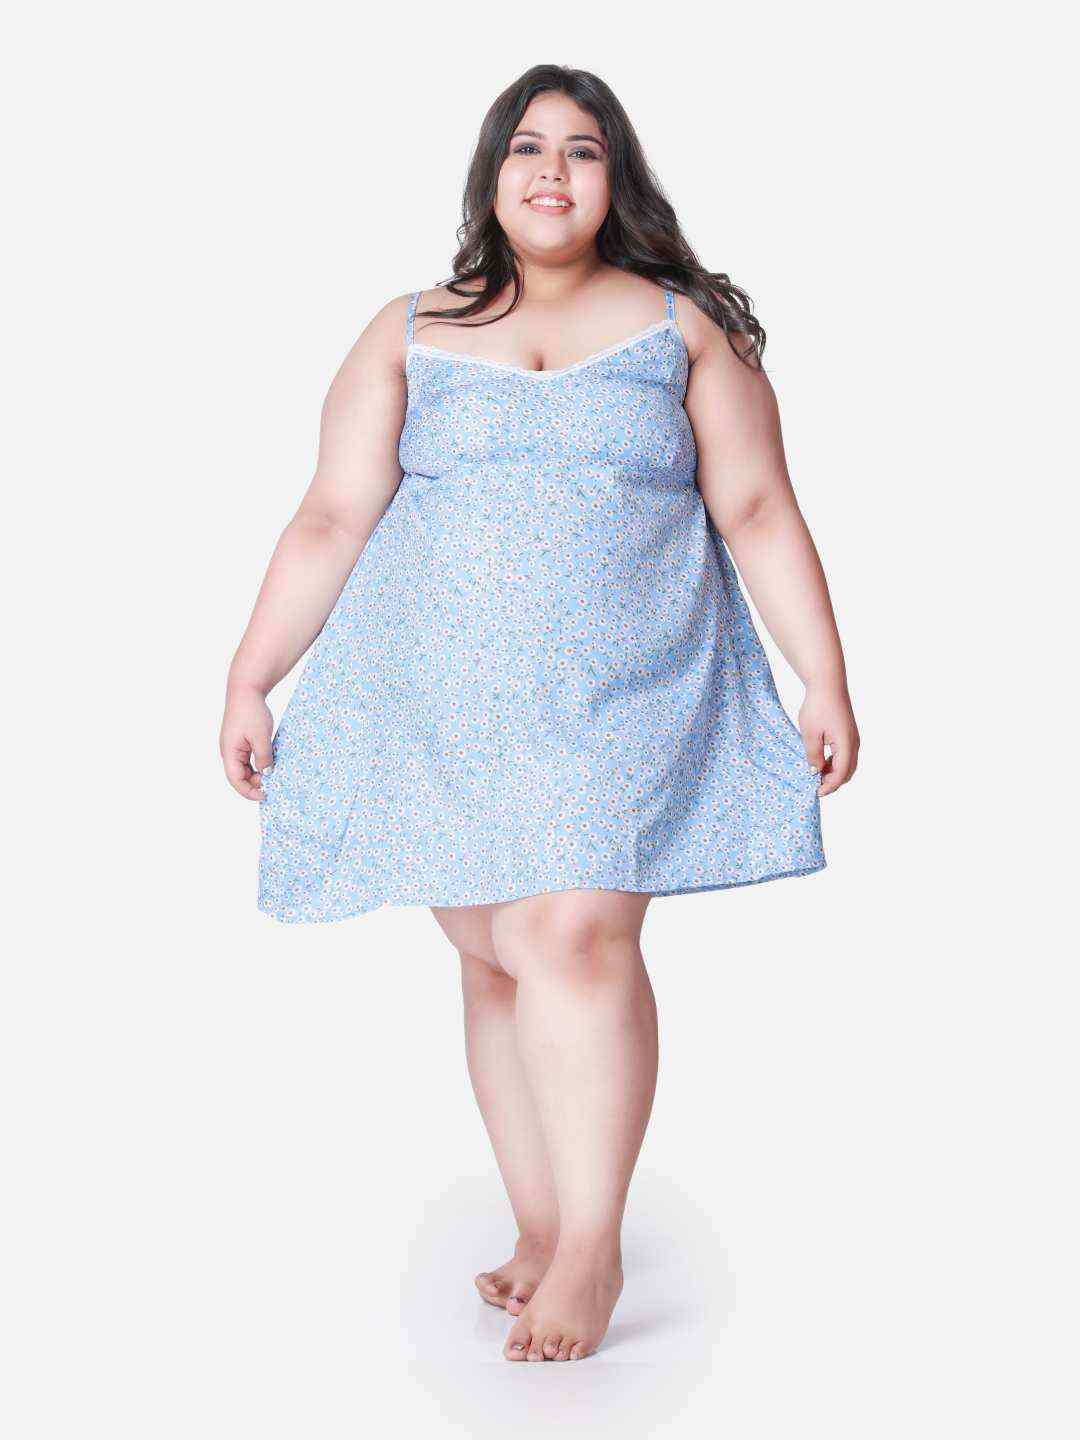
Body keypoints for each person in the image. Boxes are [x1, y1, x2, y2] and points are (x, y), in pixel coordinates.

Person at [219, 64, 860, 1363]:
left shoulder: (683, 328)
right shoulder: (408, 328)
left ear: (617, 177)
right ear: (492, 175)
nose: (553, 170)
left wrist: (824, 671)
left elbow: (755, 507)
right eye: (527, 147)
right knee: (495, 953)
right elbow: (332, 515)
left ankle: (593, 1246)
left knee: (573, 933)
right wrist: (251, 674)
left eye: (582, 149)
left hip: (623, 695)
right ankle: (541, 1219)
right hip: (439, 704)